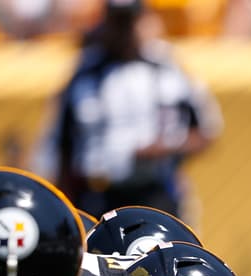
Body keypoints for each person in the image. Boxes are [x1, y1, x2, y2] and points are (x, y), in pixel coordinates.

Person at [49, 0, 222, 217]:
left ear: (145, 22)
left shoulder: (167, 68)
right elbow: (61, 146)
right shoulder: (85, 71)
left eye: (129, 22)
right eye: (118, 22)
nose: (124, 31)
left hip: (154, 195)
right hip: (95, 195)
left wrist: (164, 146)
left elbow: (207, 131)